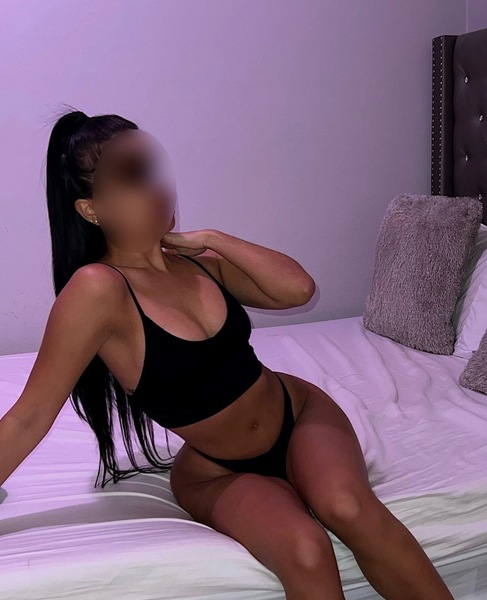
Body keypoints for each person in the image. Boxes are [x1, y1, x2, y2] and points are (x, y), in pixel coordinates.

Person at [0, 108, 454, 600]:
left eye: (153, 169)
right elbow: (30, 416)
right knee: (306, 549)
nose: (156, 187)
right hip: (216, 469)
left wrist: (212, 238)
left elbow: (298, 290)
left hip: (300, 414)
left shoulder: (200, 264)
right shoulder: (98, 289)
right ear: (91, 209)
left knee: (347, 508)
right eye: (132, 176)